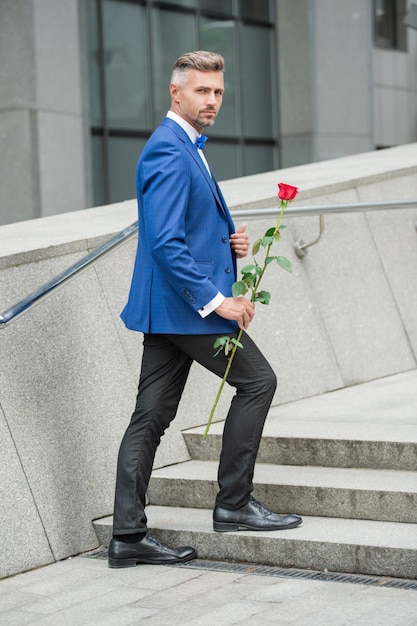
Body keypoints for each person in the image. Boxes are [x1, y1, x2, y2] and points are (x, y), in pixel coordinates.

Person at [108, 51, 302, 569]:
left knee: (149, 418)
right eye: (202, 91)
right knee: (259, 382)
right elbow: (166, 244)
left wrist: (228, 243)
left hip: (170, 310)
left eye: (217, 92)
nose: (212, 100)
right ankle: (234, 504)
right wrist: (221, 302)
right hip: (187, 311)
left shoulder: (183, 146)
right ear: (176, 93)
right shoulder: (168, 151)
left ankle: (128, 537)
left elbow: (181, 230)